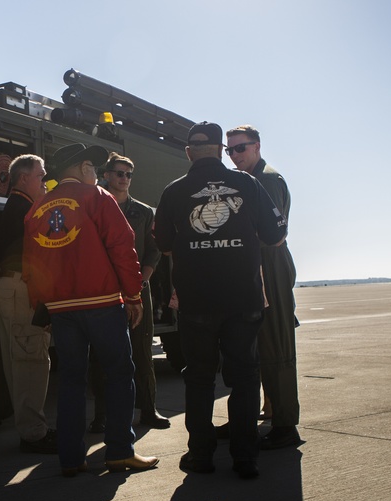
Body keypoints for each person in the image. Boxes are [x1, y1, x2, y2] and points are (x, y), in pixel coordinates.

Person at [154, 122, 287, 480]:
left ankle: (200, 456)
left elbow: (163, 244)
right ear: (219, 150)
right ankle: (246, 458)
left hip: (196, 304)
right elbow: (276, 236)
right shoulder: (248, 184)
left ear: (188, 153)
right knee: (244, 379)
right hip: (243, 301)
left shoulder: (173, 191)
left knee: (198, 380)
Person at [23, 143, 158, 477]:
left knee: (70, 381)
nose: (96, 174)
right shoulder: (97, 197)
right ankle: (119, 452)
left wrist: (44, 307)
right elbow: (123, 248)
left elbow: (31, 266)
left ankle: (71, 457)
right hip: (101, 304)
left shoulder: (36, 209)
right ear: (83, 168)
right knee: (118, 375)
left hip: (61, 308)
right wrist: (133, 295)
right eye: (93, 168)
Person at [226, 125, 302, 450]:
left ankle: (285, 426)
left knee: (276, 348)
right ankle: (244, 419)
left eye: (240, 148)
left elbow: (274, 233)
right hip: (255, 267)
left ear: (257, 146)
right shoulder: (247, 180)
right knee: (251, 349)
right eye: (229, 151)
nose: (234, 156)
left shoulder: (267, 179)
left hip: (269, 266)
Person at [90, 154, 171, 431]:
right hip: (104, 292)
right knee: (101, 356)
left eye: (129, 174)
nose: (124, 179)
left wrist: (142, 280)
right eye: (119, 173)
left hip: (137, 289)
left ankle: (149, 410)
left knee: (142, 352)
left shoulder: (144, 211)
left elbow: (154, 249)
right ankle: (101, 416)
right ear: (107, 175)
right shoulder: (95, 206)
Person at [0, 154, 56, 454]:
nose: (44, 182)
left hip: (10, 285)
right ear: (23, 179)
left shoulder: (15, 207)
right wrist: (44, 305)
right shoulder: (27, 211)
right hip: (22, 286)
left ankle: (29, 428)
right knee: (31, 360)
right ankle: (34, 434)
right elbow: (38, 260)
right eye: (40, 176)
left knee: (19, 362)